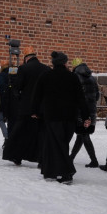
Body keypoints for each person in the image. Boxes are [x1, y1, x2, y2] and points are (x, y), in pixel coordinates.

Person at [31, 51, 86, 183]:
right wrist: (86, 115)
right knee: (62, 144)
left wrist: (35, 111)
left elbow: (37, 95)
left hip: (52, 115)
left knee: (54, 143)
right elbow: (80, 98)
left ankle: (61, 172)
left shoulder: (46, 76)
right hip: (69, 116)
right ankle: (55, 171)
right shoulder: (72, 77)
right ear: (65, 62)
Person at [2, 52, 50, 166]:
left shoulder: (23, 68)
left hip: (26, 107)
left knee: (20, 132)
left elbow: (17, 87)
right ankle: (41, 158)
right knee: (40, 134)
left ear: (26, 59)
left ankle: (16, 156)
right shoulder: (46, 69)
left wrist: (18, 97)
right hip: (42, 108)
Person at [70, 59, 100, 168]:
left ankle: (94, 160)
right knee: (82, 135)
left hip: (80, 111)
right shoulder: (91, 77)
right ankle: (72, 157)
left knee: (83, 134)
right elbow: (97, 96)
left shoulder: (75, 77)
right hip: (91, 111)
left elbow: (73, 96)